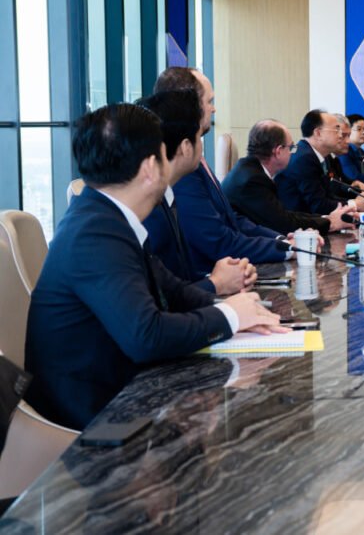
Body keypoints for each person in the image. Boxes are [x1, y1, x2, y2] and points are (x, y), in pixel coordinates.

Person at [24, 103, 285, 430]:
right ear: (150, 167)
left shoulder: (108, 217)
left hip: (121, 395)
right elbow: (145, 336)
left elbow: (174, 292)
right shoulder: (95, 233)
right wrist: (230, 317)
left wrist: (244, 309)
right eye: (164, 154)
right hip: (94, 425)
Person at [152, 67, 290, 273]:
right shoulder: (182, 169)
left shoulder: (196, 159)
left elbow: (231, 219)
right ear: (188, 104)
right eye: (209, 101)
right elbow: (215, 240)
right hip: (208, 276)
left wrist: (281, 241)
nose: (214, 109)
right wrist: (286, 250)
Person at [137, 90, 256, 294]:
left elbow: (177, 282)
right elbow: (161, 299)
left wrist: (224, 277)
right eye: (199, 137)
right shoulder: (149, 210)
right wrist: (216, 283)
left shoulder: (165, 199)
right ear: (186, 146)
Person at [222, 120, 354, 236]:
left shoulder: (250, 170)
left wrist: (327, 218)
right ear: (278, 151)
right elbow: (283, 224)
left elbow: (284, 214)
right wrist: (330, 222)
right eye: (291, 147)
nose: (292, 152)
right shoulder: (252, 181)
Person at [277, 110, 362, 214]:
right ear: (318, 133)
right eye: (336, 129)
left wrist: (356, 201)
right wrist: (355, 204)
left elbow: (328, 196)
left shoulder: (315, 154)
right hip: (300, 221)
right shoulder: (305, 158)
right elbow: (318, 205)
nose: (340, 135)